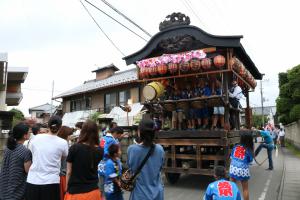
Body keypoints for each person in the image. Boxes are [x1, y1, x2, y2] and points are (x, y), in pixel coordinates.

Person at [26, 115, 69, 200]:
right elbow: (63, 156)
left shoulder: (35, 138)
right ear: (60, 127)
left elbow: (32, 153)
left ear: (48, 126)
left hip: (33, 180)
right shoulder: (63, 142)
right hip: (51, 181)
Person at [65, 120, 104, 200]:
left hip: (76, 193)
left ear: (82, 131)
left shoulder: (74, 148)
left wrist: (66, 188)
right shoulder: (100, 150)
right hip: (93, 192)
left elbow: (69, 172)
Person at [127, 119, 165, 200]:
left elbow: (131, 169)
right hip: (157, 193)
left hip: (140, 194)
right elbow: (160, 167)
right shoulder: (160, 149)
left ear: (139, 132)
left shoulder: (132, 149)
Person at [0, 123, 32, 200]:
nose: (30, 133)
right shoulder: (25, 151)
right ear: (25, 136)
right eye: (29, 132)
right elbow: (28, 171)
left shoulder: (8, 148)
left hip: (4, 188)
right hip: (17, 189)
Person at [98, 127, 124, 198]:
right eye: (119, 135)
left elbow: (100, 149)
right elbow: (106, 152)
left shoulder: (104, 138)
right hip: (108, 164)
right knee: (110, 188)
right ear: (116, 133)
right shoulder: (111, 140)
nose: (118, 137)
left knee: (102, 186)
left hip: (101, 164)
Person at [229, 133, 253, 200]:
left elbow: (231, 157)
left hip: (233, 168)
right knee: (245, 189)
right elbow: (250, 161)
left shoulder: (236, 146)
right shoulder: (248, 149)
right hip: (243, 170)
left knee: (232, 188)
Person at [57, 126, 74, 200]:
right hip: (63, 173)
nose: (71, 136)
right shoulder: (64, 144)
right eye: (70, 134)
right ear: (65, 135)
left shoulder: (61, 143)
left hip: (61, 173)